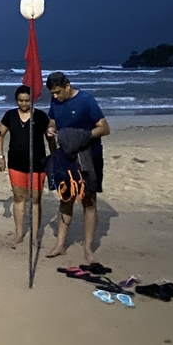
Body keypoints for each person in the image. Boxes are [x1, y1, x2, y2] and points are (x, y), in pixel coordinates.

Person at [44, 71, 111, 262]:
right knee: (65, 197)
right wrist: (51, 129)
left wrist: (81, 137)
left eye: (58, 92)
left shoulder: (86, 100)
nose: (55, 96)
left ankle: (88, 248)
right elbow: (53, 120)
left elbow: (104, 128)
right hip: (66, 156)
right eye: (52, 94)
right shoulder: (55, 101)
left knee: (89, 201)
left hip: (89, 156)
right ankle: (60, 244)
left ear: (67, 86)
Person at [0, 85, 53, 246]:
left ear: (32, 100)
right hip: (16, 163)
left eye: (27, 100)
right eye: (20, 100)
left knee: (35, 199)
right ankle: (19, 233)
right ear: (16, 100)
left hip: (38, 163)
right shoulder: (10, 115)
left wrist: (54, 157)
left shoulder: (40, 116)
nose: (24, 103)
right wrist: (0, 156)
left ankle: (34, 236)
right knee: (19, 198)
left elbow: (49, 138)